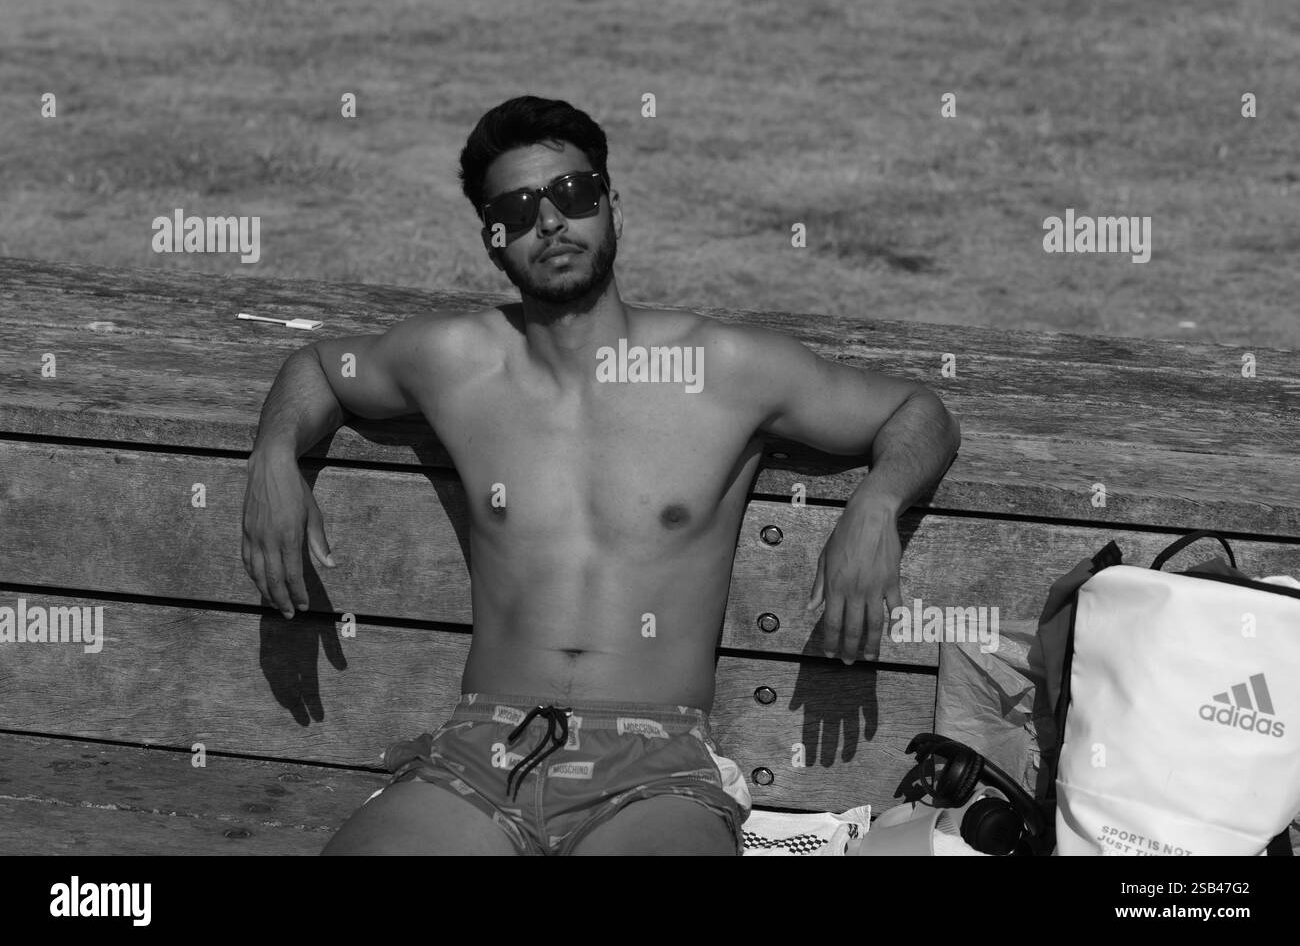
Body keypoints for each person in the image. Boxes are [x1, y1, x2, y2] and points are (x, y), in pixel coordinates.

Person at [241, 96, 961, 855]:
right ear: (492, 240)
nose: (549, 222)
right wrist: (274, 456)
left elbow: (921, 413)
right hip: (484, 749)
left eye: (573, 195)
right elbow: (318, 366)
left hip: (655, 765)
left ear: (613, 207)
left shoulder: (724, 369)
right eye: (516, 210)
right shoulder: (457, 361)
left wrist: (877, 505)